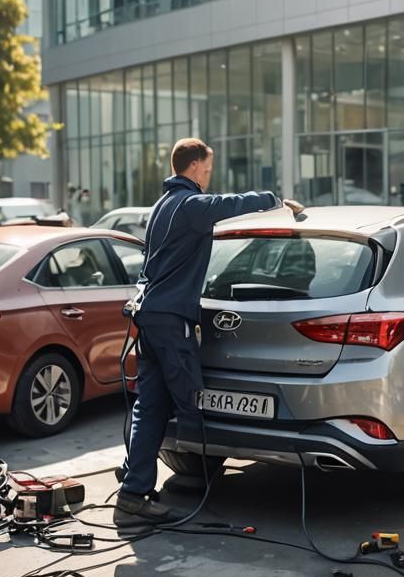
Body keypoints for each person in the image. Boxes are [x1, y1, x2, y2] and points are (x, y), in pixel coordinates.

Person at [115, 138, 304, 528]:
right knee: (191, 405)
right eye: (208, 167)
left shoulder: (161, 205)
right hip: (170, 323)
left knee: (149, 407)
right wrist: (277, 201)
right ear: (195, 166)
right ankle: (145, 487)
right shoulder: (190, 205)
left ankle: (131, 491)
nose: (209, 174)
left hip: (151, 318)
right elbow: (230, 204)